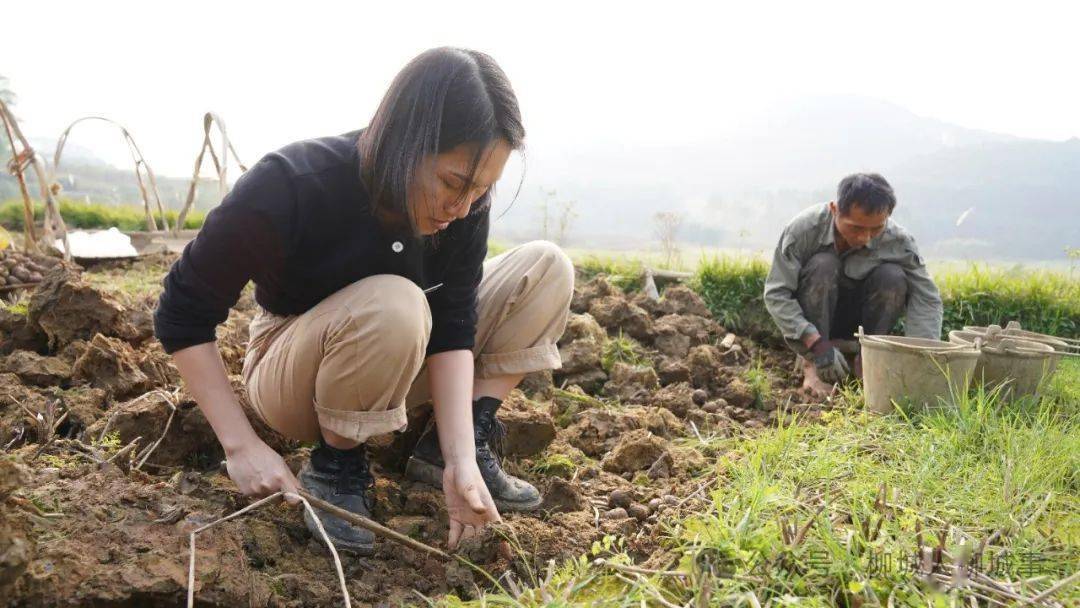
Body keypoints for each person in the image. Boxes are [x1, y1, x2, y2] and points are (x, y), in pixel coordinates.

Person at [153, 47, 574, 555]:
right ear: (407, 142)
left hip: (400, 356)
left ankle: (445, 450)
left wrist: (460, 456)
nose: (462, 208)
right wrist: (241, 446)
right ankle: (336, 464)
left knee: (545, 267)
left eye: (481, 191)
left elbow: (454, 323)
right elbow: (181, 313)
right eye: (453, 183)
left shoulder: (463, 208)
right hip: (294, 372)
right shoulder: (293, 183)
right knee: (397, 302)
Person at [763, 173, 943, 398]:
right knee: (823, 265)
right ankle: (813, 368)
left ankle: (868, 362)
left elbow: (926, 298)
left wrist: (920, 360)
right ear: (834, 209)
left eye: (876, 229)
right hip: (816, 322)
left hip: (864, 320)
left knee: (893, 277)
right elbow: (777, 293)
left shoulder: (899, 241)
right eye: (856, 228)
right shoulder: (804, 230)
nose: (865, 238)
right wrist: (815, 343)